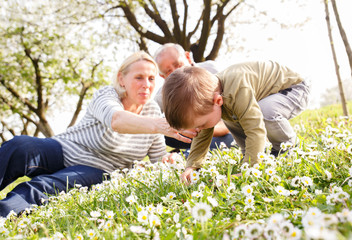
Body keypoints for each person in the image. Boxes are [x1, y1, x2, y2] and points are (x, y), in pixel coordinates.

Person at [0, 51, 197, 217]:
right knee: (21, 146)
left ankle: (4, 213)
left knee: (44, 186)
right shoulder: (107, 95)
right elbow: (116, 120)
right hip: (63, 149)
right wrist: (160, 125)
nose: (146, 84)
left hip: (97, 169)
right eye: (139, 77)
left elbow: (158, 158)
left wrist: (168, 161)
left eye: (152, 78)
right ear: (122, 78)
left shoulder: (153, 112)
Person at [162, 61, 310, 184]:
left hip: (294, 89)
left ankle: (287, 149)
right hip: (265, 97)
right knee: (230, 117)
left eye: (200, 125)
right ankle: (249, 155)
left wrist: (250, 170)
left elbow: (255, 130)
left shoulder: (238, 90)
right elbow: (203, 134)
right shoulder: (210, 98)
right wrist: (192, 166)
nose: (198, 130)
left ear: (217, 100)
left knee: (265, 112)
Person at [153, 43, 234, 152]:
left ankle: (190, 153)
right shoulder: (164, 93)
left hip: (225, 128)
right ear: (163, 77)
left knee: (231, 140)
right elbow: (150, 115)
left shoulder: (213, 70)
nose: (176, 72)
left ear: (187, 57)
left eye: (178, 64)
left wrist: (207, 130)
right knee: (164, 130)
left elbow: (237, 110)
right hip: (192, 134)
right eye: (168, 71)